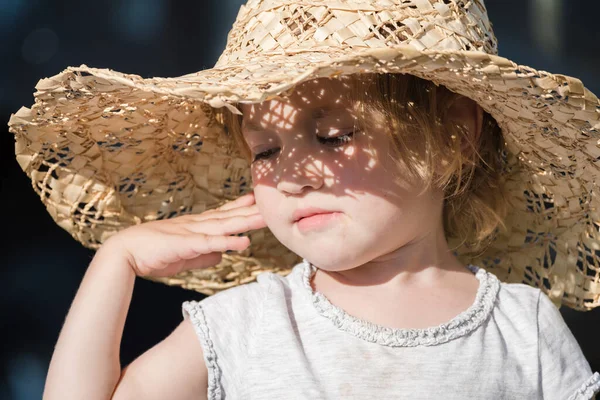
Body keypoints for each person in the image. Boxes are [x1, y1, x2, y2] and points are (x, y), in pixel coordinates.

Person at [7, 0, 600, 399]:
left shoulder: (523, 328)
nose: (292, 175)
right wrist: (118, 260)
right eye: (264, 152)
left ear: (452, 137)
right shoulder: (250, 324)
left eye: (334, 136)